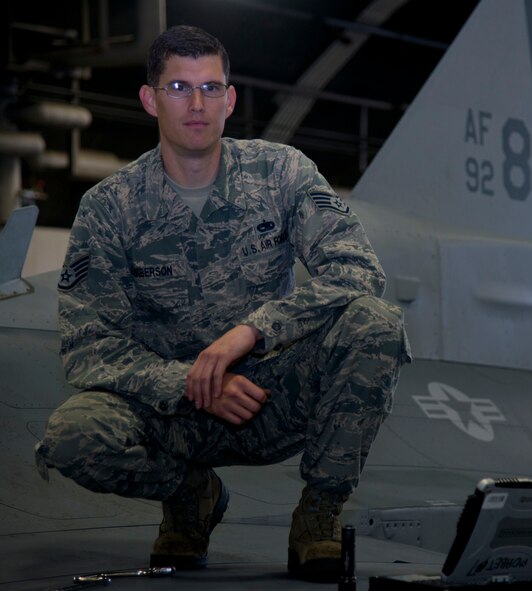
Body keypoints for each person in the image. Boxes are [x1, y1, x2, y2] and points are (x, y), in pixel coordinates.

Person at [34, 25, 410, 583]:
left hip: (266, 395)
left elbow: (357, 270)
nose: (196, 104)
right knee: (72, 439)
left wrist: (253, 332)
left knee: (376, 324)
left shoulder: (281, 173)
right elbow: (91, 349)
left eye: (211, 88)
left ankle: (319, 515)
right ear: (150, 99)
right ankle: (192, 496)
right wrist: (190, 381)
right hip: (173, 411)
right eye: (179, 87)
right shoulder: (109, 208)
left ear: (230, 100)